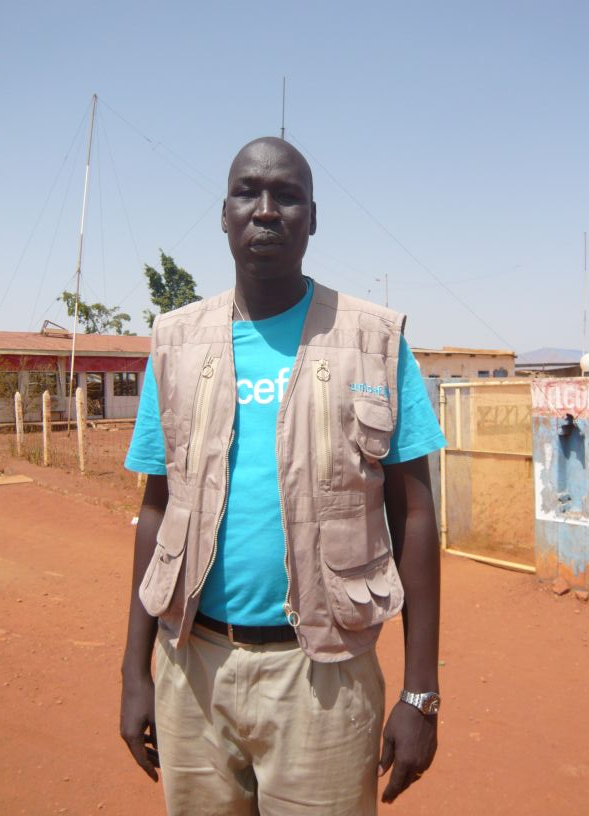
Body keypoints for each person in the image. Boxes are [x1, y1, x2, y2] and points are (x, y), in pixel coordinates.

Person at [120, 136, 446, 816]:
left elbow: (413, 512)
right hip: (193, 667)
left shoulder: (373, 341)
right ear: (224, 213)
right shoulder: (174, 342)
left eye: (287, 196)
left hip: (326, 678)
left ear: (313, 218)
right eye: (249, 192)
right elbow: (156, 507)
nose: (266, 211)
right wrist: (134, 672)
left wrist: (420, 692)